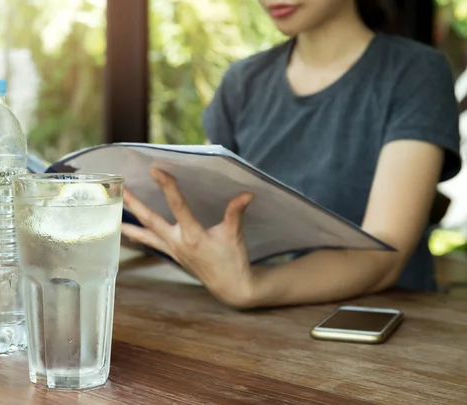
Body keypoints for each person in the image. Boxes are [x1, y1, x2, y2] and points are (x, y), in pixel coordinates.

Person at [121, 0, 463, 309]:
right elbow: (213, 216)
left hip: (384, 330)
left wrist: (251, 287)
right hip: (252, 331)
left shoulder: (415, 73)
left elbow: (385, 253)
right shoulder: (242, 82)